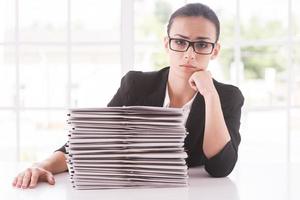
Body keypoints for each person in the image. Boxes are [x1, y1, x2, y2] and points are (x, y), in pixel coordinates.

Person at [12, 3, 244, 189]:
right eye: (180, 42)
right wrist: (43, 165)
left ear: (214, 50)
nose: (189, 54)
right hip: (131, 190)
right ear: (167, 44)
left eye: (201, 44)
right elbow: (92, 143)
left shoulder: (228, 96)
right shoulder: (136, 85)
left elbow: (220, 167)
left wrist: (210, 94)